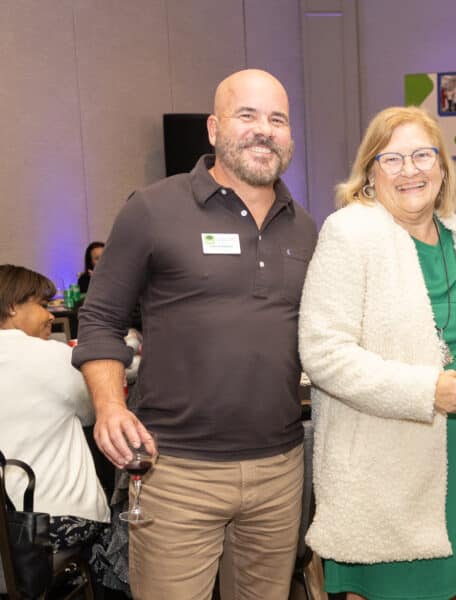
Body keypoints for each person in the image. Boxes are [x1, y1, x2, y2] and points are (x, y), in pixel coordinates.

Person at [71, 68, 317, 599]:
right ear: (213, 127)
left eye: (277, 119)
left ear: (290, 137)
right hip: (176, 470)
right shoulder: (153, 209)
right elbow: (100, 320)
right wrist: (111, 407)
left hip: (280, 468)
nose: (264, 130)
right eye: (247, 115)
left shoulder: (306, 227)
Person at [299, 106, 456, 600]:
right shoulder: (349, 233)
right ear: (370, 172)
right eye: (392, 159)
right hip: (380, 476)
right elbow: (323, 353)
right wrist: (426, 390)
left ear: (443, 168)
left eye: (422, 155)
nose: (410, 169)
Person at [0, 265, 110, 553]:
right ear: (12, 306)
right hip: (48, 521)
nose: (51, 314)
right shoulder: (54, 355)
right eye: (43, 304)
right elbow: (95, 412)